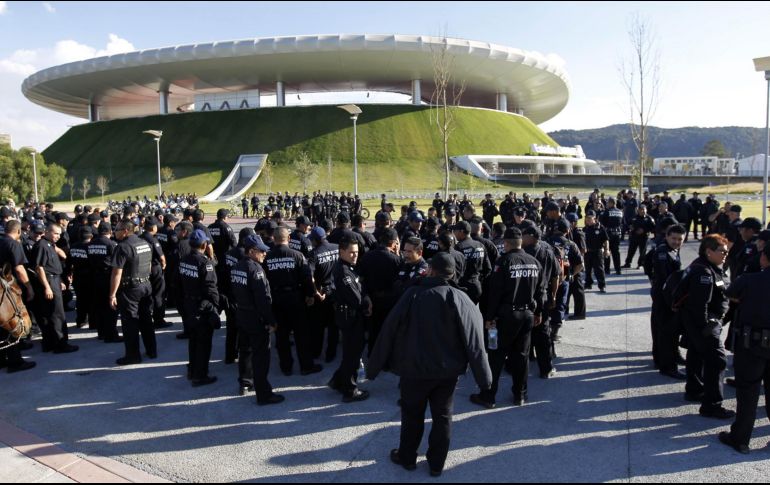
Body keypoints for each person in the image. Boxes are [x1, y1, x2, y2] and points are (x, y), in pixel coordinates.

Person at [368, 253, 492, 477]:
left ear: (431, 270)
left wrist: (374, 366)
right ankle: (436, 463)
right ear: (452, 273)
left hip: (413, 370)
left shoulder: (413, 294)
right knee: (443, 415)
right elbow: (475, 340)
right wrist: (484, 379)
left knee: (412, 414)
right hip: (447, 372)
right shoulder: (461, 299)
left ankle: (407, 457)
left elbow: (388, 329)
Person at [470, 228, 544, 408]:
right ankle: (520, 394)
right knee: (521, 356)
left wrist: (489, 317)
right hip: (527, 315)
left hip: (504, 317)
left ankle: (488, 396)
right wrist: (539, 312)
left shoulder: (503, 262)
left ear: (507, 243)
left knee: (496, 356)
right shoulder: (534, 262)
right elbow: (541, 291)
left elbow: (494, 294)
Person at [718, 244, 770, 454]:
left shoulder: (750, 279)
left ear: (764, 259)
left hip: (752, 344)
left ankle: (740, 438)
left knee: (748, 391)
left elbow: (730, 293)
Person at [680, 235, 734, 420]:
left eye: (726, 251)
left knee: (695, 354)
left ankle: (694, 389)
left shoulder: (708, 266)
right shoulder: (703, 272)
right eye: (722, 251)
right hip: (705, 324)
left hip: (702, 323)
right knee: (717, 361)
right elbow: (699, 304)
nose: (726, 254)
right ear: (708, 251)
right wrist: (706, 329)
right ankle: (712, 405)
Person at [230, 234, 283, 403]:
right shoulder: (256, 270)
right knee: (261, 355)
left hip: (242, 314)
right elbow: (263, 300)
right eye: (262, 251)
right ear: (252, 251)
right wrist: (271, 321)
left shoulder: (237, 266)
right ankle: (264, 393)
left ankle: (245, 382)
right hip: (255, 317)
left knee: (245, 350)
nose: (265, 254)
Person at [264, 226, 322, 376]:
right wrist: (310, 295)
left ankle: (286, 367)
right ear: (288, 239)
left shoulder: (267, 257)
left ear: (274, 239)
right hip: (295, 298)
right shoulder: (297, 255)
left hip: (276, 299)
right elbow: (307, 279)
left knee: (281, 335)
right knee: (301, 334)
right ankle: (306, 366)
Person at [328, 236, 372, 402]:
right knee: (352, 354)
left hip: (351, 315)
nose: (355, 255)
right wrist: (365, 302)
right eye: (351, 253)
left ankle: (338, 381)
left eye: (356, 252)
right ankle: (350, 390)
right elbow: (356, 298)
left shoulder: (350, 267)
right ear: (341, 252)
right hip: (350, 317)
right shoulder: (344, 271)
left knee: (351, 352)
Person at [110, 219, 155, 365]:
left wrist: (112, 294)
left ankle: (133, 355)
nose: (114, 232)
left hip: (130, 289)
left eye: (116, 229)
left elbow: (116, 273)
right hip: (145, 284)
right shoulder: (145, 243)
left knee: (130, 323)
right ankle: (151, 350)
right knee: (146, 319)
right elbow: (148, 265)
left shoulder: (122, 247)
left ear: (125, 231)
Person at [179, 229, 220, 386]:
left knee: (193, 340)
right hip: (202, 306)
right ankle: (200, 375)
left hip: (189, 303)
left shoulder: (184, 259)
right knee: (203, 342)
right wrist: (215, 307)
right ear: (204, 244)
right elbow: (211, 288)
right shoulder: (205, 263)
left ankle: (192, 369)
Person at [31, 223, 77, 353]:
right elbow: (39, 268)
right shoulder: (41, 246)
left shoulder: (50, 245)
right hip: (49, 281)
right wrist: (47, 287)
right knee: (57, 315)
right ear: (46, 232)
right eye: (55, 233)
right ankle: (61, 344)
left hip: (54, 279)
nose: (58, 236)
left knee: (51, 313)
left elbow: (56, 262)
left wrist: (60, 280)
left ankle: (50, 343)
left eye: (59, 234)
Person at [650, 224, 686, 379]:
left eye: (680, 239)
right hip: (664, 298)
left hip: (666, 296)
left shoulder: (673, 251)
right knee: (665, 332)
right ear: (666, 237)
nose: (677, 242)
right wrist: (673, 302)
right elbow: (666, 280)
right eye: (674, 238)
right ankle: (667, 365)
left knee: (664, 330)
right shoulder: (662, 253)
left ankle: (666, 358)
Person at [0, 220, 36, 373]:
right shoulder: (14, 244)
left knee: (1, 323)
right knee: (13, 318)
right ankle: (15, 362)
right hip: (9, 287)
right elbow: (19, 268)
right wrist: (29, 286)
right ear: (19, 231)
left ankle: (2, 359)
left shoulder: (1, 241)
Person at [308, 227, 340, 362]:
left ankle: (316, 352)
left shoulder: (314, 253)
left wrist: (315, 292)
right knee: (334, 326)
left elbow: (310, 276)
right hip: (336, 291)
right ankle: (331, 354)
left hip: (322, 293)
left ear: (315, 240)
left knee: (318, 326)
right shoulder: (337, 247)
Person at [89, 222, 121, 342]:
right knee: (111, 308)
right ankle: (111, 334)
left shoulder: (91, 243)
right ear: (110, 232)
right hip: (108, 277)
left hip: (95, 277)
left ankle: (101, 332)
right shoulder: (111, 244)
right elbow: (116, 262)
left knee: (100, 307)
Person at [140, 218, 170, 329]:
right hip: (155, 268)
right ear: (153, 228)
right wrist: (164, 265)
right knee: (159, 294)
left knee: (147, 294)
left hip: (143, 269)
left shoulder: (140, 237)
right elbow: (161, 257)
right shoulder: (153, 239)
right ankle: (159, 319)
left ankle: (146, 318)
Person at [583, 211, 609, 293]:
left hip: (597, 251)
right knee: (588, 269)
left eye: (590, 218)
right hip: (587, 252)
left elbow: (606, 240)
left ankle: (602, 285)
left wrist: (606, 250)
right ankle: (588, 284)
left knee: (599, 270)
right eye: (587, 218)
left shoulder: (600, 228)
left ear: (594, 218)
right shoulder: (585, 229)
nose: (588, 220)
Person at [623, 205, 655, 269]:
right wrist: (630, 228)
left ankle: (640, 264)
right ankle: (627, 263)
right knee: (631, 251)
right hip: (634, 236)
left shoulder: (649, 218)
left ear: (646, 210)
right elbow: (627, 224)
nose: (642, 211)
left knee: (642, 252)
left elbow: (653, 227)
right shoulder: (634, 217)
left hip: (644, 237)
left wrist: (645, 230)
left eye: (644, 209)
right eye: (640, 209)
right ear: (638, 210)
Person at [600, 198, 624, 275]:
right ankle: (618, 269)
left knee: (607, 251)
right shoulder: (620, 212)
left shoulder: (607, 212)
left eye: (608, 203)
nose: (607, 204)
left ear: (611, 203)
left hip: (608, 234)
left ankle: (607, 269)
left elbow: (602, 223)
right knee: (616, 252)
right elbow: (622, 222)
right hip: (617, 234)